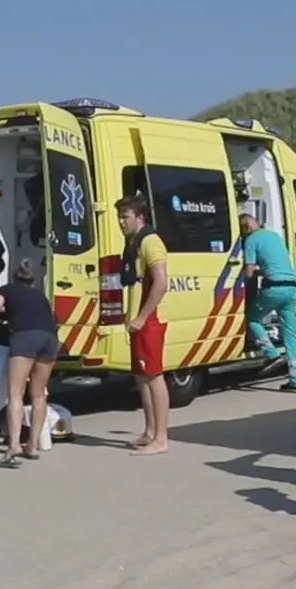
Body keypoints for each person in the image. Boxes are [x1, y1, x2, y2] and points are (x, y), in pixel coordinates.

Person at [0, 258, 59, 466]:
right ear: (32, 281)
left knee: (15, 393)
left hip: (25, 338)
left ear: (14, 277)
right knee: (38, 394)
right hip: (50, 340)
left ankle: (15, 445)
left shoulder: (6, 290)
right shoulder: (41, 296)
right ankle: (33, 446)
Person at [117, 195, 171, 455]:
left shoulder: (151, 242)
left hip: (149, 320)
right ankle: (149, 432)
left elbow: (161, 282)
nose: (120, 221)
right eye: (120, 216)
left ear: (140, 217)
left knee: (154, 377)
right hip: (137, 321)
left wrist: (141, 317)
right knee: (141, 378)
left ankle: (161, 439)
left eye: (125, 216)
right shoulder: (133, 241)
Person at [239, 211, 296, 392]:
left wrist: (240, 279)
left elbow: (250, 271)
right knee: (290, 336)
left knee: (252, 318)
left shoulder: (251, 241)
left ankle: (271, 353)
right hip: (292, 287)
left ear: (246, 227)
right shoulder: (275, 236)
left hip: (274, 288)